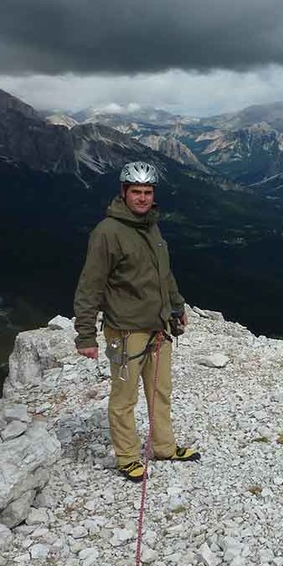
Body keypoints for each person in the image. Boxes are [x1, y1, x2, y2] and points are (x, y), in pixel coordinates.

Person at [73, 161, 200, 481]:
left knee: (160, 391)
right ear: (123, 193)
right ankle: (128, 456)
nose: (142, 198)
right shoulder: (107, 233)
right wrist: (85, 335)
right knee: (124, 396)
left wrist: (176, 305)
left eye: (147, 192)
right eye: (136, 192)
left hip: (158, 327)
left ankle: (164, 446)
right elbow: (90, 286)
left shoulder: (151, 226)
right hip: (126, 330)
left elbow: (163, 273)